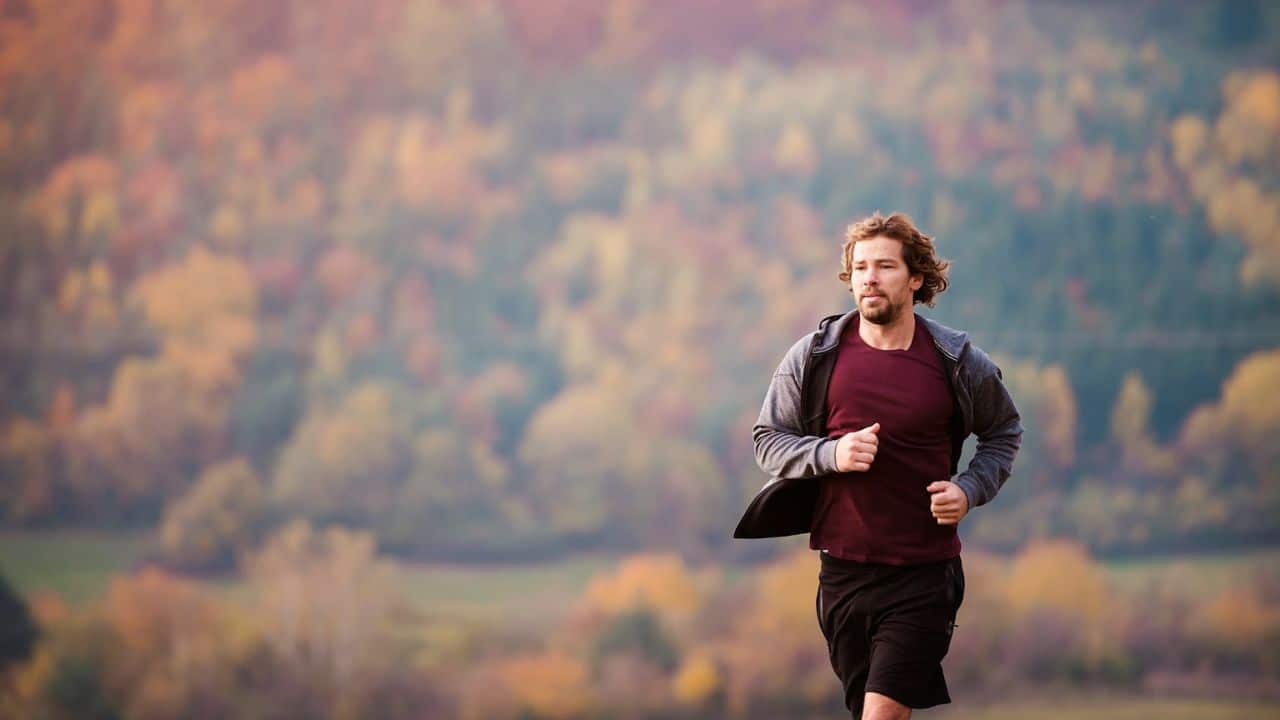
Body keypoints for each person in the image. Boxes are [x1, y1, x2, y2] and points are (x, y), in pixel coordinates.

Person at [732, 211, 1022, 720]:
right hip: (842, 574)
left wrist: (969, 489)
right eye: (860, 266)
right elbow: (767, 441)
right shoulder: (814, 357)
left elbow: (1003, 433)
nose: (869, 277)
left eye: (885, 266)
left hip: (923, 574)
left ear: (915, 278)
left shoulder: (955, 362)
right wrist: (831, 454)